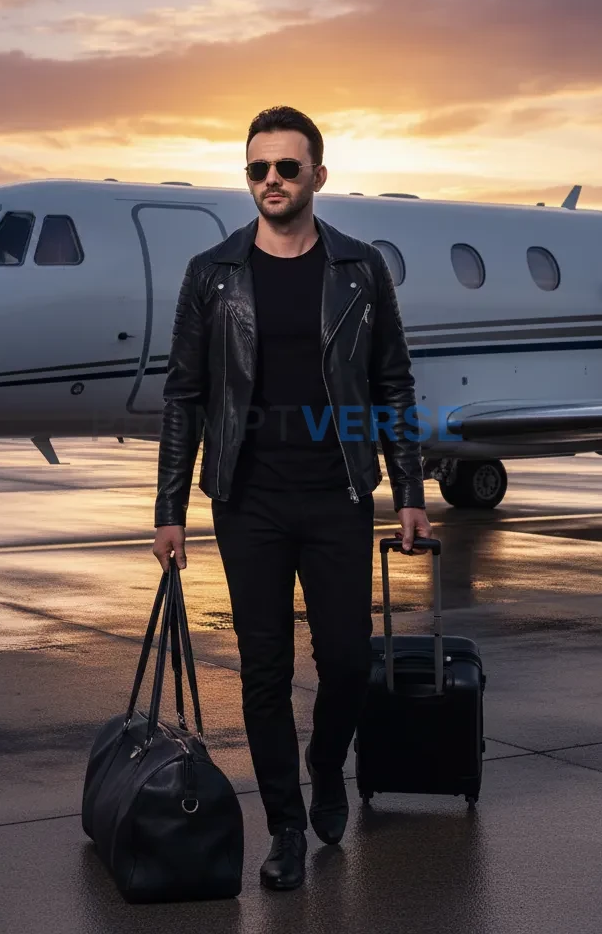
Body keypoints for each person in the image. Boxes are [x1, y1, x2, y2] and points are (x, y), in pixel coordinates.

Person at [152, 106, 431, 891]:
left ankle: (326, 763)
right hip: (247, 499)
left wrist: (409, 487)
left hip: (339, 491)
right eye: (257, 170)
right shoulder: (212, 273)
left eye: (285, 168)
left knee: (345, 662)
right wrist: (169, 507)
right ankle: (283, 823)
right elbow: (184, 395)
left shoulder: (358, 267)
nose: (270, 181)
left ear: (317, 176)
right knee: (264, 670)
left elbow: (392, 383)